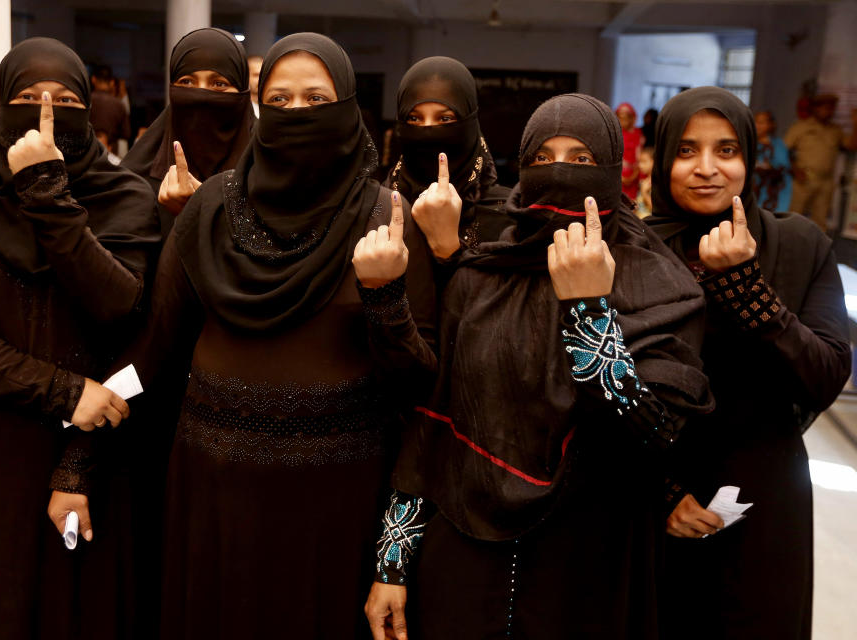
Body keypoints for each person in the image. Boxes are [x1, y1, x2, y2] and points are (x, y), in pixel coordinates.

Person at [120, 32, 436, 639]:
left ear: (347, 107)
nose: (297, 114)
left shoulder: (388, 217)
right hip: (212, 502)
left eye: (315, 99)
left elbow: (420, 391)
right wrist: (76, 449)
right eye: (281, 100)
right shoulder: (211, 208)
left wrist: (384, 295)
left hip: (333, 510)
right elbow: (153, 351)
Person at [365, 93, 712, 639]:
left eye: (581, 159)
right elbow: (431, 430)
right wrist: (393, 562)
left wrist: (589, 311)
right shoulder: (480, 277)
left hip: (587, 561)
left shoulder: (659, 285)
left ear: (611, 170)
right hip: (464, 553)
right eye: (544, 157)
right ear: (522, 170)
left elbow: (657, 431)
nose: (560, 172)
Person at [0, 37, 160, 639]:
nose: (46, 112)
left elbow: (120, 310)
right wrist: (62, 391)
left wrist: (47, 194)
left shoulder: (126, 201)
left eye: (65, 99)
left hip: (97, 449)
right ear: (3, 110)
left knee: (84, 608)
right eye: (27, 98)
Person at [647, 86, 850, 640]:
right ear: (663, 158)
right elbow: (603, 386)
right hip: (651, 490)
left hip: (768, 486)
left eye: (727, 150)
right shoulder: (635, 249)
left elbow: (826, 376)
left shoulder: (799, 243)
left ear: (751, 158)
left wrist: (745, 287)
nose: (707, 169)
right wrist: (661, 493)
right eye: (687, 151)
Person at [123, 28, 254, 237]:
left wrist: (197, 212)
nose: (201, 94)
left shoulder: (267, 171)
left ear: (243, 93)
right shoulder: (136, 179)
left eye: (219, 84)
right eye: (187, 82)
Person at [384, 57, 510, 257]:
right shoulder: (379, 206)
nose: (427, 130)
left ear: (470, 124)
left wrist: (447, 248)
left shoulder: (507, 214)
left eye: (445, 119)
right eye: (414, 118)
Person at [784, 93, 857, 231]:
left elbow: (852, 146)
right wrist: (795, 170)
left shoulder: (836, 130)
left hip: (826, 181)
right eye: (824, 108)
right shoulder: (801, 127)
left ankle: (816, 251)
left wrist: (856, 124)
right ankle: (789, 249)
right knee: (793, 218)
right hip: (803, 179)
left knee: (820, 222)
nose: (828, 111)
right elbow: (783, 151)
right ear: (815, 108)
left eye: (831, 108)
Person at [753, 110, 792, 212]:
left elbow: (782, 166)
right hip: (752, 189)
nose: (757, 125)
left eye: (761, 123)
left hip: (772, 191)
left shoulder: (777, 144)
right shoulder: (749, 142)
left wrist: (766, 167)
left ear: (770, 125)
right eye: (755, 122)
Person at [89, 64, 130, 155]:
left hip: (89, 152)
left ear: (93, 79)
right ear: (111, 82)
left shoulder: (86, 101)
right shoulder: (119, 104)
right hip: (111, 154)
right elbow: (126, 134)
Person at [616, 101, 643, 200]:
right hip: (617, 175)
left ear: (631, 118)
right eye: (620, 117)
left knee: (631, 204)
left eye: (626, 117)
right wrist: (620, 177)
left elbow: (639, 158)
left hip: (632, 177)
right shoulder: (615, 134)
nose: (623, 120)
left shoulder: (637, 134)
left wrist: (632, 177)